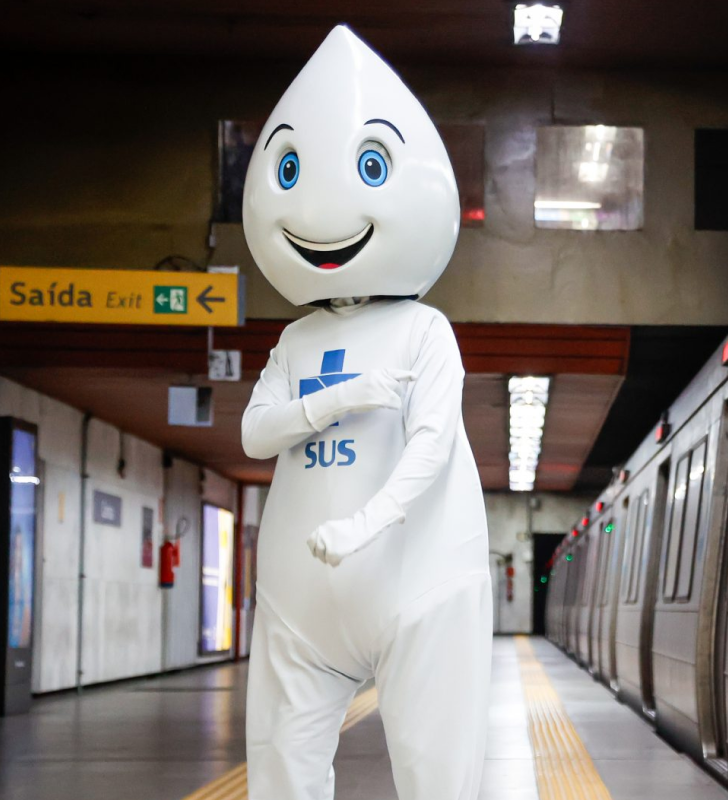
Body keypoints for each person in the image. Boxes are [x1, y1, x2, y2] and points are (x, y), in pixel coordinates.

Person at [239, 25, 491, 800]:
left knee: (437, 773)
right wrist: (343, 397)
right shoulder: (293, 339)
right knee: (281, 767)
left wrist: (365, 521)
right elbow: (254, 432)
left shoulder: (425, 331)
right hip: (298, 599)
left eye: (372, 166)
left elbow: (432, 445)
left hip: (421, 585)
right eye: (289, 169)